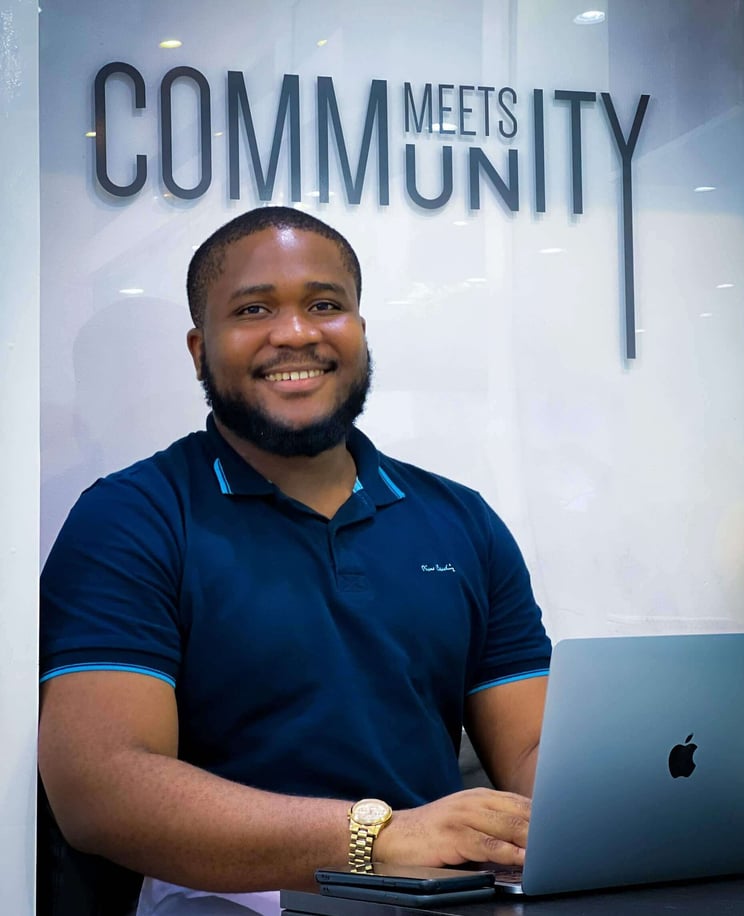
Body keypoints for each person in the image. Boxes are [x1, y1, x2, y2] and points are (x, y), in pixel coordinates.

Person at [38, 206, 551, 916]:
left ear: (360, 330)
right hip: (229, 903)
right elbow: (101, 788)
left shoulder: (460, 519)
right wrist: (379, 838)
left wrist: (635, 817)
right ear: (198, 349)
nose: (296, 332)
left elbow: (532, 756)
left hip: (444, 895)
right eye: (253, 308)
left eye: (325, 304)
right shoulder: (133, 517)